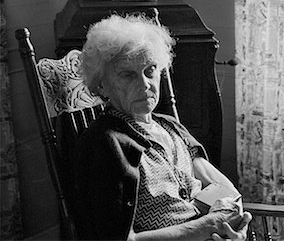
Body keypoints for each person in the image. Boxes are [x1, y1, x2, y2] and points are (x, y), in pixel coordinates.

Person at [74, 13, 252, 240]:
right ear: (101, 84)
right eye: (128, 75)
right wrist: (210, 225)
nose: (145, 84)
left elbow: (226, 191)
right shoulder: (104, 144)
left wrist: (235, 224)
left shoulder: (169, 127)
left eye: (150, 70)